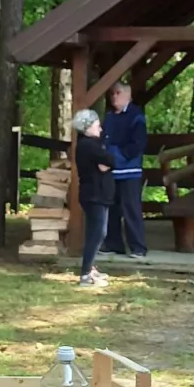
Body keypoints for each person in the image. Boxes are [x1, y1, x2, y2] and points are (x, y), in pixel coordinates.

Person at [100, 82, 148, 258]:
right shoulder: (110, 117)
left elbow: (138, 144)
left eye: (118, 93)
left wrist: (116, 157)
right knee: (112, 208)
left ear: (127, 95)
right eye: (112, 93)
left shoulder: (136, 116)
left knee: (131, 209)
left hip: (129, 171)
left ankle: (138, 247)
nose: (114, 96)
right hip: (111, 171)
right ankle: (114, 244)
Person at [71, 108, 115, 287]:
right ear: (87, 127)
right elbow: (110, 160)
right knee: (98, 233)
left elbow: (107, 163)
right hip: (93, 194)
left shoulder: (91, 144)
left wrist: (105, 164)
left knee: (95, 233)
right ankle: (85, 274)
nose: (101, 129)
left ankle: (89, 268)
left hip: (98, 193)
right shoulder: (88, 145)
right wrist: (106, 163)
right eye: (97, 126)